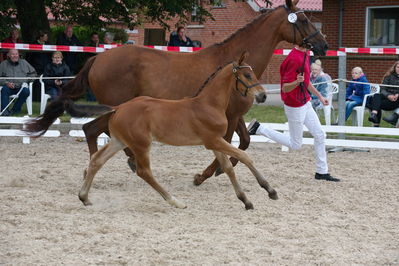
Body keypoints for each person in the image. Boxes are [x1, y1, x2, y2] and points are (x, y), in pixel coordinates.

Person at [247, 46, 339, 182]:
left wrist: (319, 96)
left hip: (305, 102)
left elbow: (306, 82)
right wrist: (297, 82)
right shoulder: (294, 59)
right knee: (296, 144)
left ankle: (321, 172)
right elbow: (285, 87)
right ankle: (260, 128)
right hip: (294, 105)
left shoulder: (306, 54)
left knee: (320, 134)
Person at [0, 49, 36, 116]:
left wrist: (27, 81)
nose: (15, 56)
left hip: (21, 86)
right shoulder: (3, 64)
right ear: (8, 55)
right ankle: (4, 111)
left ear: (18, 55)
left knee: (26, 92)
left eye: (16, 54)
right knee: (4, 90)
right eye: (13, 54)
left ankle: (15, 110)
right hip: (8, 86)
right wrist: (6, 83)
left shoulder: (24, 63)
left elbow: (33, 74)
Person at [367, 61, 399, 127]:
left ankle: (376, 123)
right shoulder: (388, 76)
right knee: (376, 96)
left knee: (374, 102)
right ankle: (374, 114)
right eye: (398, 67)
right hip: (387, 100)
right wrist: (388, 95)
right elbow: (382, 89)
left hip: (396, 102)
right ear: (395, 67)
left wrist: (397, 94)